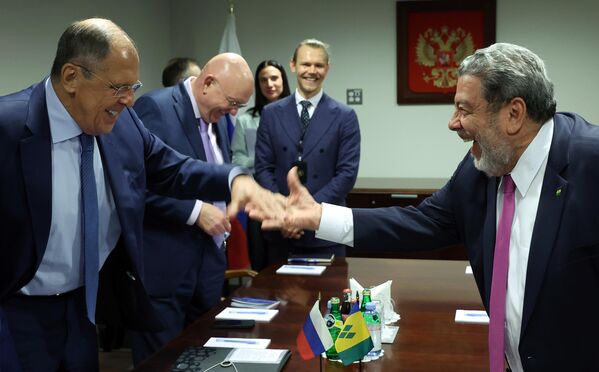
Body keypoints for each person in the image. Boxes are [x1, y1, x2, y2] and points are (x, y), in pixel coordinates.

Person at [274, 43, 599, 371]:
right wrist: (319, 216)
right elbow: (420, 222)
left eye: (464, 109)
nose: (453, 123)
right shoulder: (482, 167)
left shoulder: (590, 163)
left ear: (514, 114)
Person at [0, 18, 282, 372]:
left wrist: (234, 180)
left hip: (83, 308)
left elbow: (172, 168)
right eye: (118, 86)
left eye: (134, 86)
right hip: (17, 312)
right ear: (71, 77)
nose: (130, 100)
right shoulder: (9, 127)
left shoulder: (123, 123)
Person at [129, 53, 252, 366]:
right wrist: (196, 211)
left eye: (239, 105)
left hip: (208, 265)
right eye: (232, 101)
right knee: (163, 361)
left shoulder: (216, 117)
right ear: (208, 83)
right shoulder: (155, 108)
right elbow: (135, 189)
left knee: (203, 358)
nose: (233, 111)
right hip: (166, 269)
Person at [254, 39, 361, 264]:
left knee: (328, 298)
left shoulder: (345, 116)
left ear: (327, 69)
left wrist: (304, 212)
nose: (312, 71)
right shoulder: (271, 113)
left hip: (326, 231)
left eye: (319, 65)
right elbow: (263, 168)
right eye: (305, 64)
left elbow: (346, 175)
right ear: (293, 66)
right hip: (281, 230)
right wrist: (285, 213)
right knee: (280, 298)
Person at [231, 59, 291, 270]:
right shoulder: (246, 120)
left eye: (274, 78)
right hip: (258, 194)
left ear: (283, 80)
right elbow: (237, 159)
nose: (269, 84)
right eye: (263, 79)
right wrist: (263, 159)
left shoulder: (297, 115)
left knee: (291, 255)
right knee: (261, 255)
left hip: (290, 193)